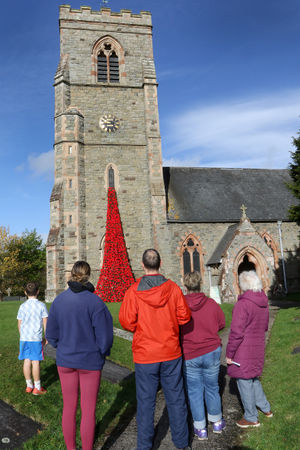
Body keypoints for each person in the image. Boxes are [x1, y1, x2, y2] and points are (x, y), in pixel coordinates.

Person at [119, 249, 191, 450]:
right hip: (169, 352)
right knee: (176, 399)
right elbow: (184, 317)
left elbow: (126, 321)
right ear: (160, 264)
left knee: (146, 403)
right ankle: (182, 443)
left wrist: (142, 327)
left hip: (146, 355)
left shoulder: (134, 291)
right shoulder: (173, 289)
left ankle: (144, 446)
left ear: (143, 265)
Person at [46, 261, 113, 450]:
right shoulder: (95, 302)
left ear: (72, 275)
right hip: (90, 362)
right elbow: (105, 337)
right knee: (88, 410)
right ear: (88, 276)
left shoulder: (59, 301)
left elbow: (51, 334)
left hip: (66, 360)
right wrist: (101, 352)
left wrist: (64, 347)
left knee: (69, 408)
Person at [181, 271, 226, 440]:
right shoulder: (211, 304)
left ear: (185, 286)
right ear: (200, 284)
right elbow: (221, 323)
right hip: (211, 351)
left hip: (190, 353)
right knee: (212, 387)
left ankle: (200, 428)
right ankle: (216, 422)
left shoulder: (181, 305)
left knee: (194, 391)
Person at [226, 270, 273, 428]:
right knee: (253, 379)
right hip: (258, 346)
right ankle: (266, 409)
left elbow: (236, 333)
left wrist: (229, 354)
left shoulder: (242, 304)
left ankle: (251, 417)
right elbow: (265, 326)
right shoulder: (264, 303)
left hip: (243, 350)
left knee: (245, 382)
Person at [17, 281, 48, 395]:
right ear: (38, 292)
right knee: (35, 362)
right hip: (35, 338)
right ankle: (37, 388)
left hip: (24, 338)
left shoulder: (22, 306)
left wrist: (22, 335)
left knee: (26, 360)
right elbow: (45, 323)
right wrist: (46, 336)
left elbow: (19, 324)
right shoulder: (41, 305)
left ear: (25, 292)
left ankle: (29, 385)